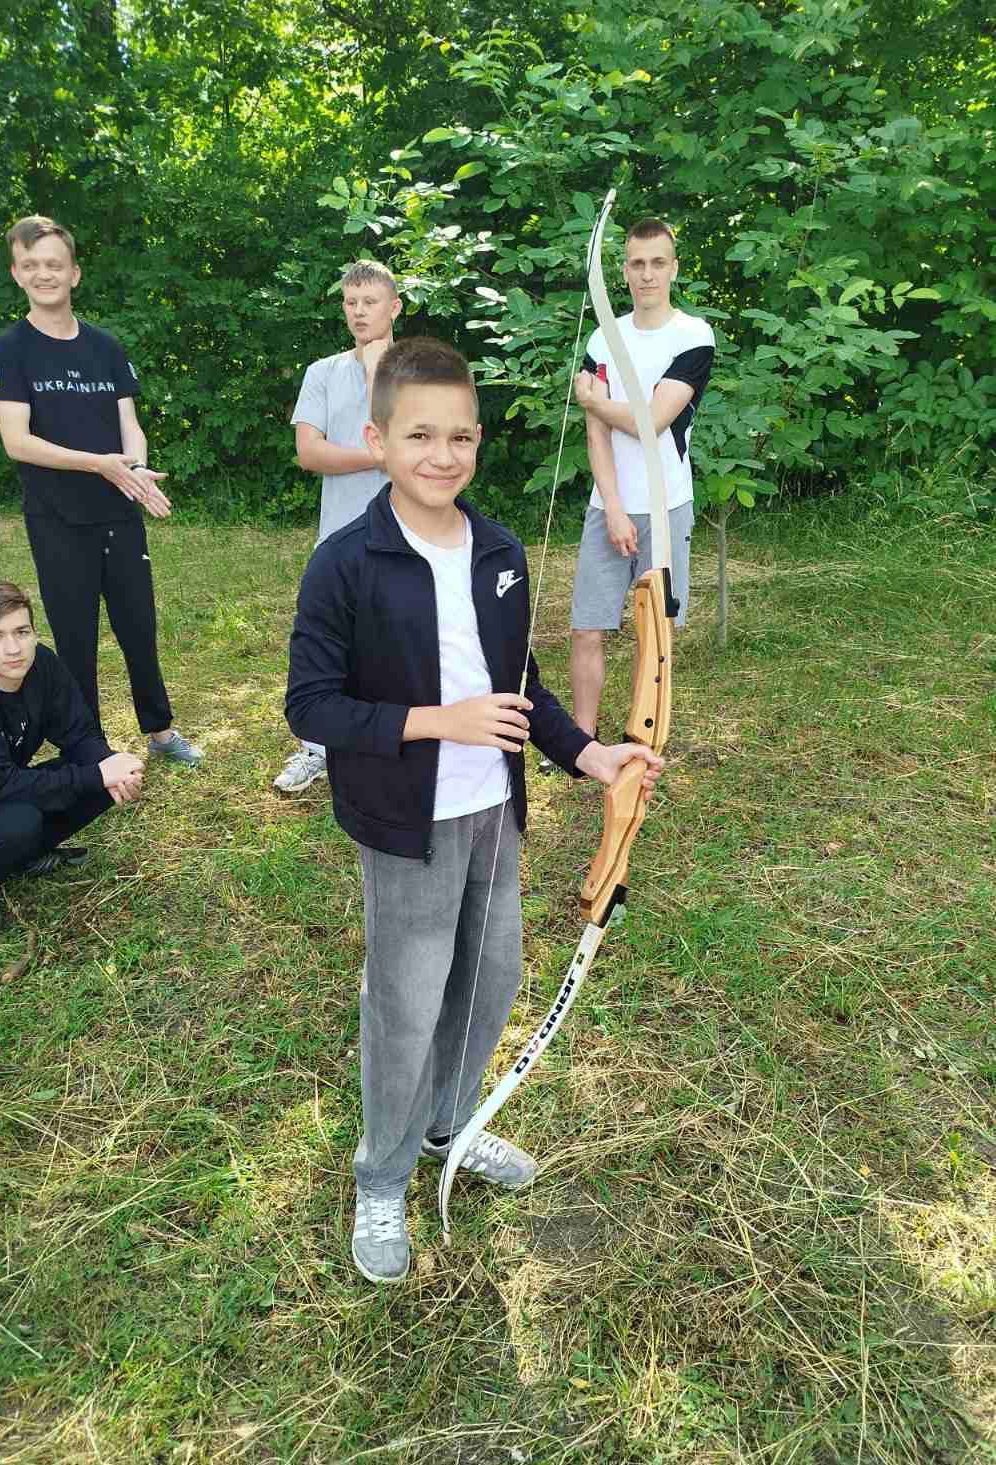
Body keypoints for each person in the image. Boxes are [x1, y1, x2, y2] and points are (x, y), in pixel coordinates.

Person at [285, 338, 664, 1283]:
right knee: (406, 1000)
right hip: (404, 823)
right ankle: (381, 1173)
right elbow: (311, 705)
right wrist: (435, 721)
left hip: (493, 812)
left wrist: (588, 753)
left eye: (459, 436)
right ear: (377, 439)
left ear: (479, 440)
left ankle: (448, 1124)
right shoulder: (345, 563)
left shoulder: (497, 549)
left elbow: (519, 681)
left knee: (490, 980)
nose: (441, 455)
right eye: (418, 435)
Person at [0, 215, 202, 763]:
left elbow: (130, 423)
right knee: (75, 639)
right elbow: (17, 441)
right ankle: (89, 747)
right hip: (56, 518)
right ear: (16, 273)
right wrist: (100, 466)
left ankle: (160, 731)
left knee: (138, 628)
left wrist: (136, 469)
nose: (44, 274)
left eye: (54, 264)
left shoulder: (105, 347)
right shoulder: (10, 349)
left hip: (118, 515)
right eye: (31, 265)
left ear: (74, 273)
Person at [0, 580, 145, 940]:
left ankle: (22, 856)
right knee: (21, 821)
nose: (13, 649)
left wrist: (112, 768)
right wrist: (95, 775)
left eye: (22, 632)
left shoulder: (41, 663)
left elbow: (80, 734)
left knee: (100, 776)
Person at [567, 216, 715, 741]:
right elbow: (598, 434)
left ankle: (640, 736)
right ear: (624, 271)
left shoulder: (694, 335)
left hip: (666, 505)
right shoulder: (604, 338)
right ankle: (581, 738)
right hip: (607, 504)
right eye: (637, 264)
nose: (647, 274)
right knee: (587, 628)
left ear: (673, 268)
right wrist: (612, 506)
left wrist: (596, 402)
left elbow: (655, 421)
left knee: (654, 633)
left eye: (657, 263)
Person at [273, 260, 401, 795]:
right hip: (339, 535)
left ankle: (391, 745)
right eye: (351, 302)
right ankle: (317, 748)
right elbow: (310, 452)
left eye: (370, 302)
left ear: (394, 307)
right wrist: (380, 458)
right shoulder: (322, 372)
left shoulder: (418, 370)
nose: (359, 312)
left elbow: (413, 442)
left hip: (405, 532)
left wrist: (376, 373)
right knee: (330, 642)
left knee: (398, 641)